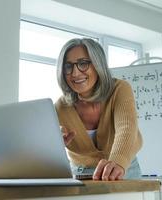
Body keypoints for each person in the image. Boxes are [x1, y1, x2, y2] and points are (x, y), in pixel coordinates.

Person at [55, 38, 143, 181]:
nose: (75, 73)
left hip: (123, 167)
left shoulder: (119, 89)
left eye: (83, 63)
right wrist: (55, 143)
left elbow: (126, 128)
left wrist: (118, 161)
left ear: (98, 65)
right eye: (68, 66)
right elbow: (47, 148)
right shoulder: (60, 107)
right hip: (81, 173)